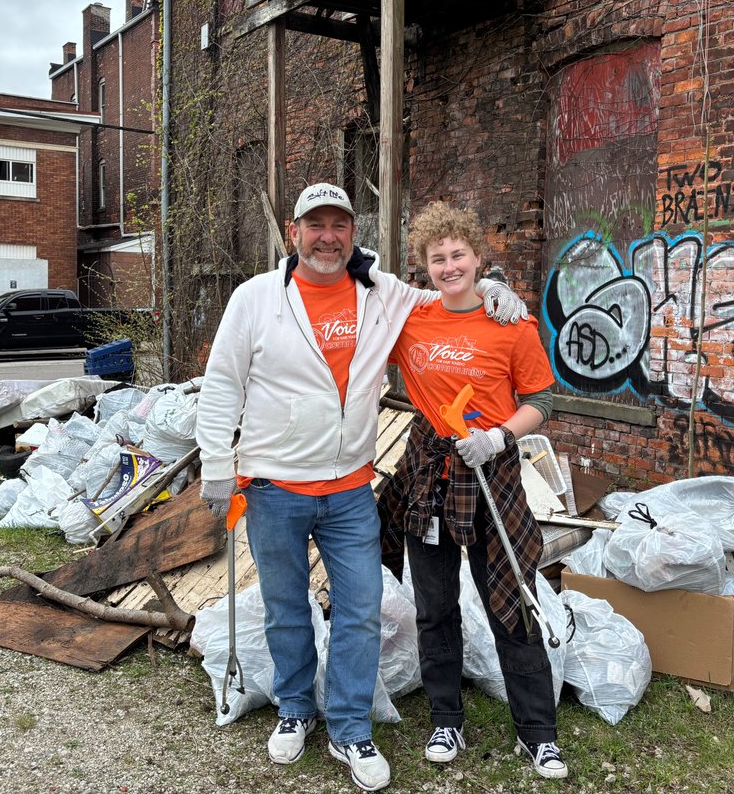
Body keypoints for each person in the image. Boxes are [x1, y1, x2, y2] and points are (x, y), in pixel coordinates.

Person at [194, 183, 527, 792]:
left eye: (339, 225)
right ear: (293, 234)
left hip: (350, 491)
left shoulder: (381, 294)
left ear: (353, 233)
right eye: (314, 225)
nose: (328, 237)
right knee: (287, 606)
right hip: (273, 486)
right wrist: (217, 465)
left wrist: (493, 289)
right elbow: (221, 386)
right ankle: (296, 709)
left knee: (359, 609)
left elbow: (445, 295)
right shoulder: (255, 299)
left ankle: (349, 726)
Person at [377, 201, 569, 780]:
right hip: (429, 473)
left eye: (459, 255)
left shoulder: (511, 324)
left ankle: (538, 734)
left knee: (510, 602)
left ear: (477, 257)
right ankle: (446, 720)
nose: (449, 265)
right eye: (438, 258)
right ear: (425, 267)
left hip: (491, 471)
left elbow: (542, 401)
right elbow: (362, 294)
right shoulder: (411, 320)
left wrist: (499, 436)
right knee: (435, 609)